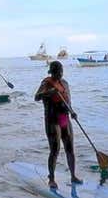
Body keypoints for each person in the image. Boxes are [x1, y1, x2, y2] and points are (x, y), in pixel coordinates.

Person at [34, 60, 82, 189]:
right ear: (52, 72)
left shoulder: (65, 83)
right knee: (55, 150)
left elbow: (68, 101)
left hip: (64, 118)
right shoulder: (46, 83)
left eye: (61, 72)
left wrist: (72, 112)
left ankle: (73, 175)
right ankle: (52, 179)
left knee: (70, 148)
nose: (59, 75)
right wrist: (49, 92)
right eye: (57, 72)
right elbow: (37, 97)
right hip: (52, 120)